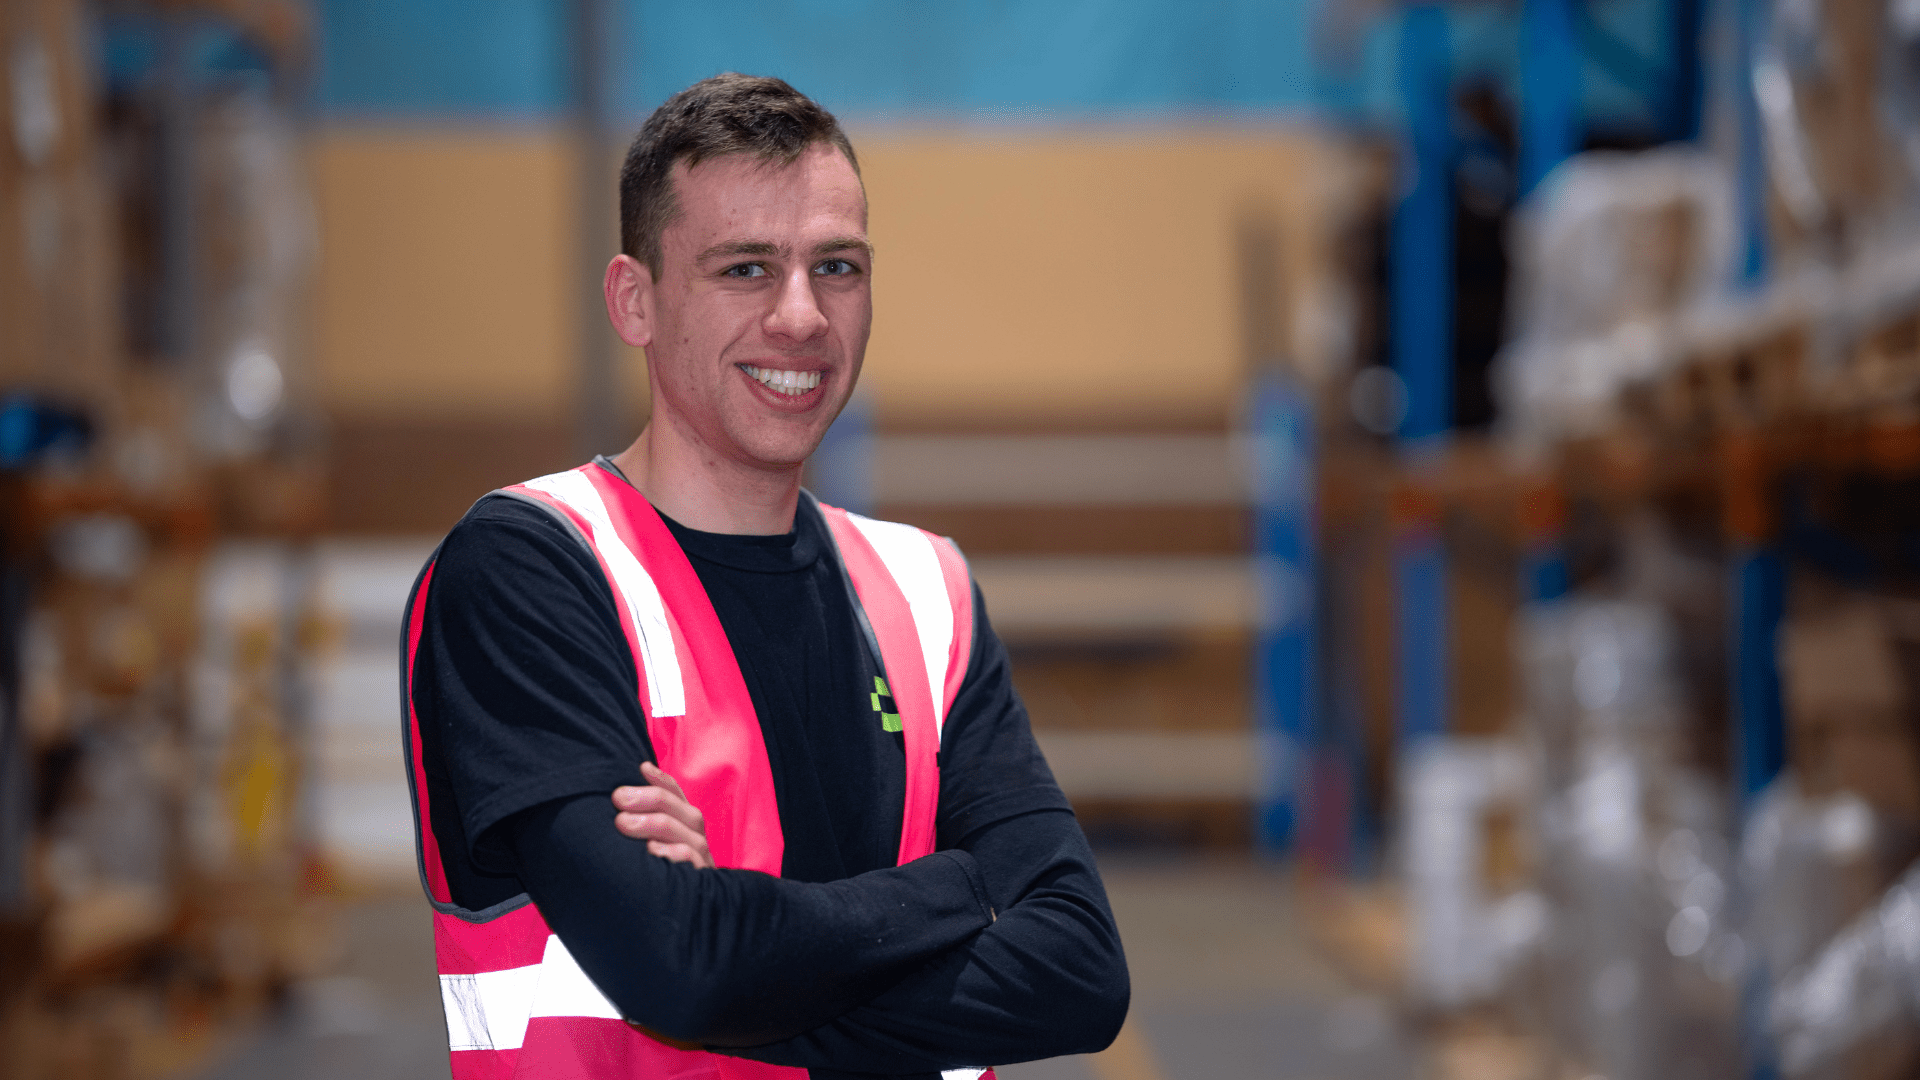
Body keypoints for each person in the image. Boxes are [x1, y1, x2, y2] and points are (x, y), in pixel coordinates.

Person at [401, 73, 1129, 1080]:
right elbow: (682, 971)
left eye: (837, 266)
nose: (801, 316)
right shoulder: (533, 569)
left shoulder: (930, 595)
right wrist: (962, 889)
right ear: (635, 301)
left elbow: (1082, 975)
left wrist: (739, 945)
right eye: (746, 269)